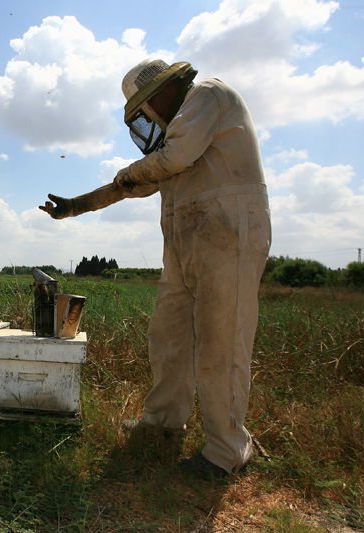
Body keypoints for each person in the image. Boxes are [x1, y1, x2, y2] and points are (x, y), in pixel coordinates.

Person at [39, 59, 271, 479]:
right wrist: (76, 205)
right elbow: (133, 185)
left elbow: (170, 159)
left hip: (229, 233)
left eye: (147, 110)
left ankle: (226, 451)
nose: (150, 120)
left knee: (222, 341)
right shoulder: (176, 136)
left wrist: (127, 173)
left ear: (165, 90)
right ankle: (164, 421)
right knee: (169, 335)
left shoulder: (208, 95)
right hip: (187, 239)